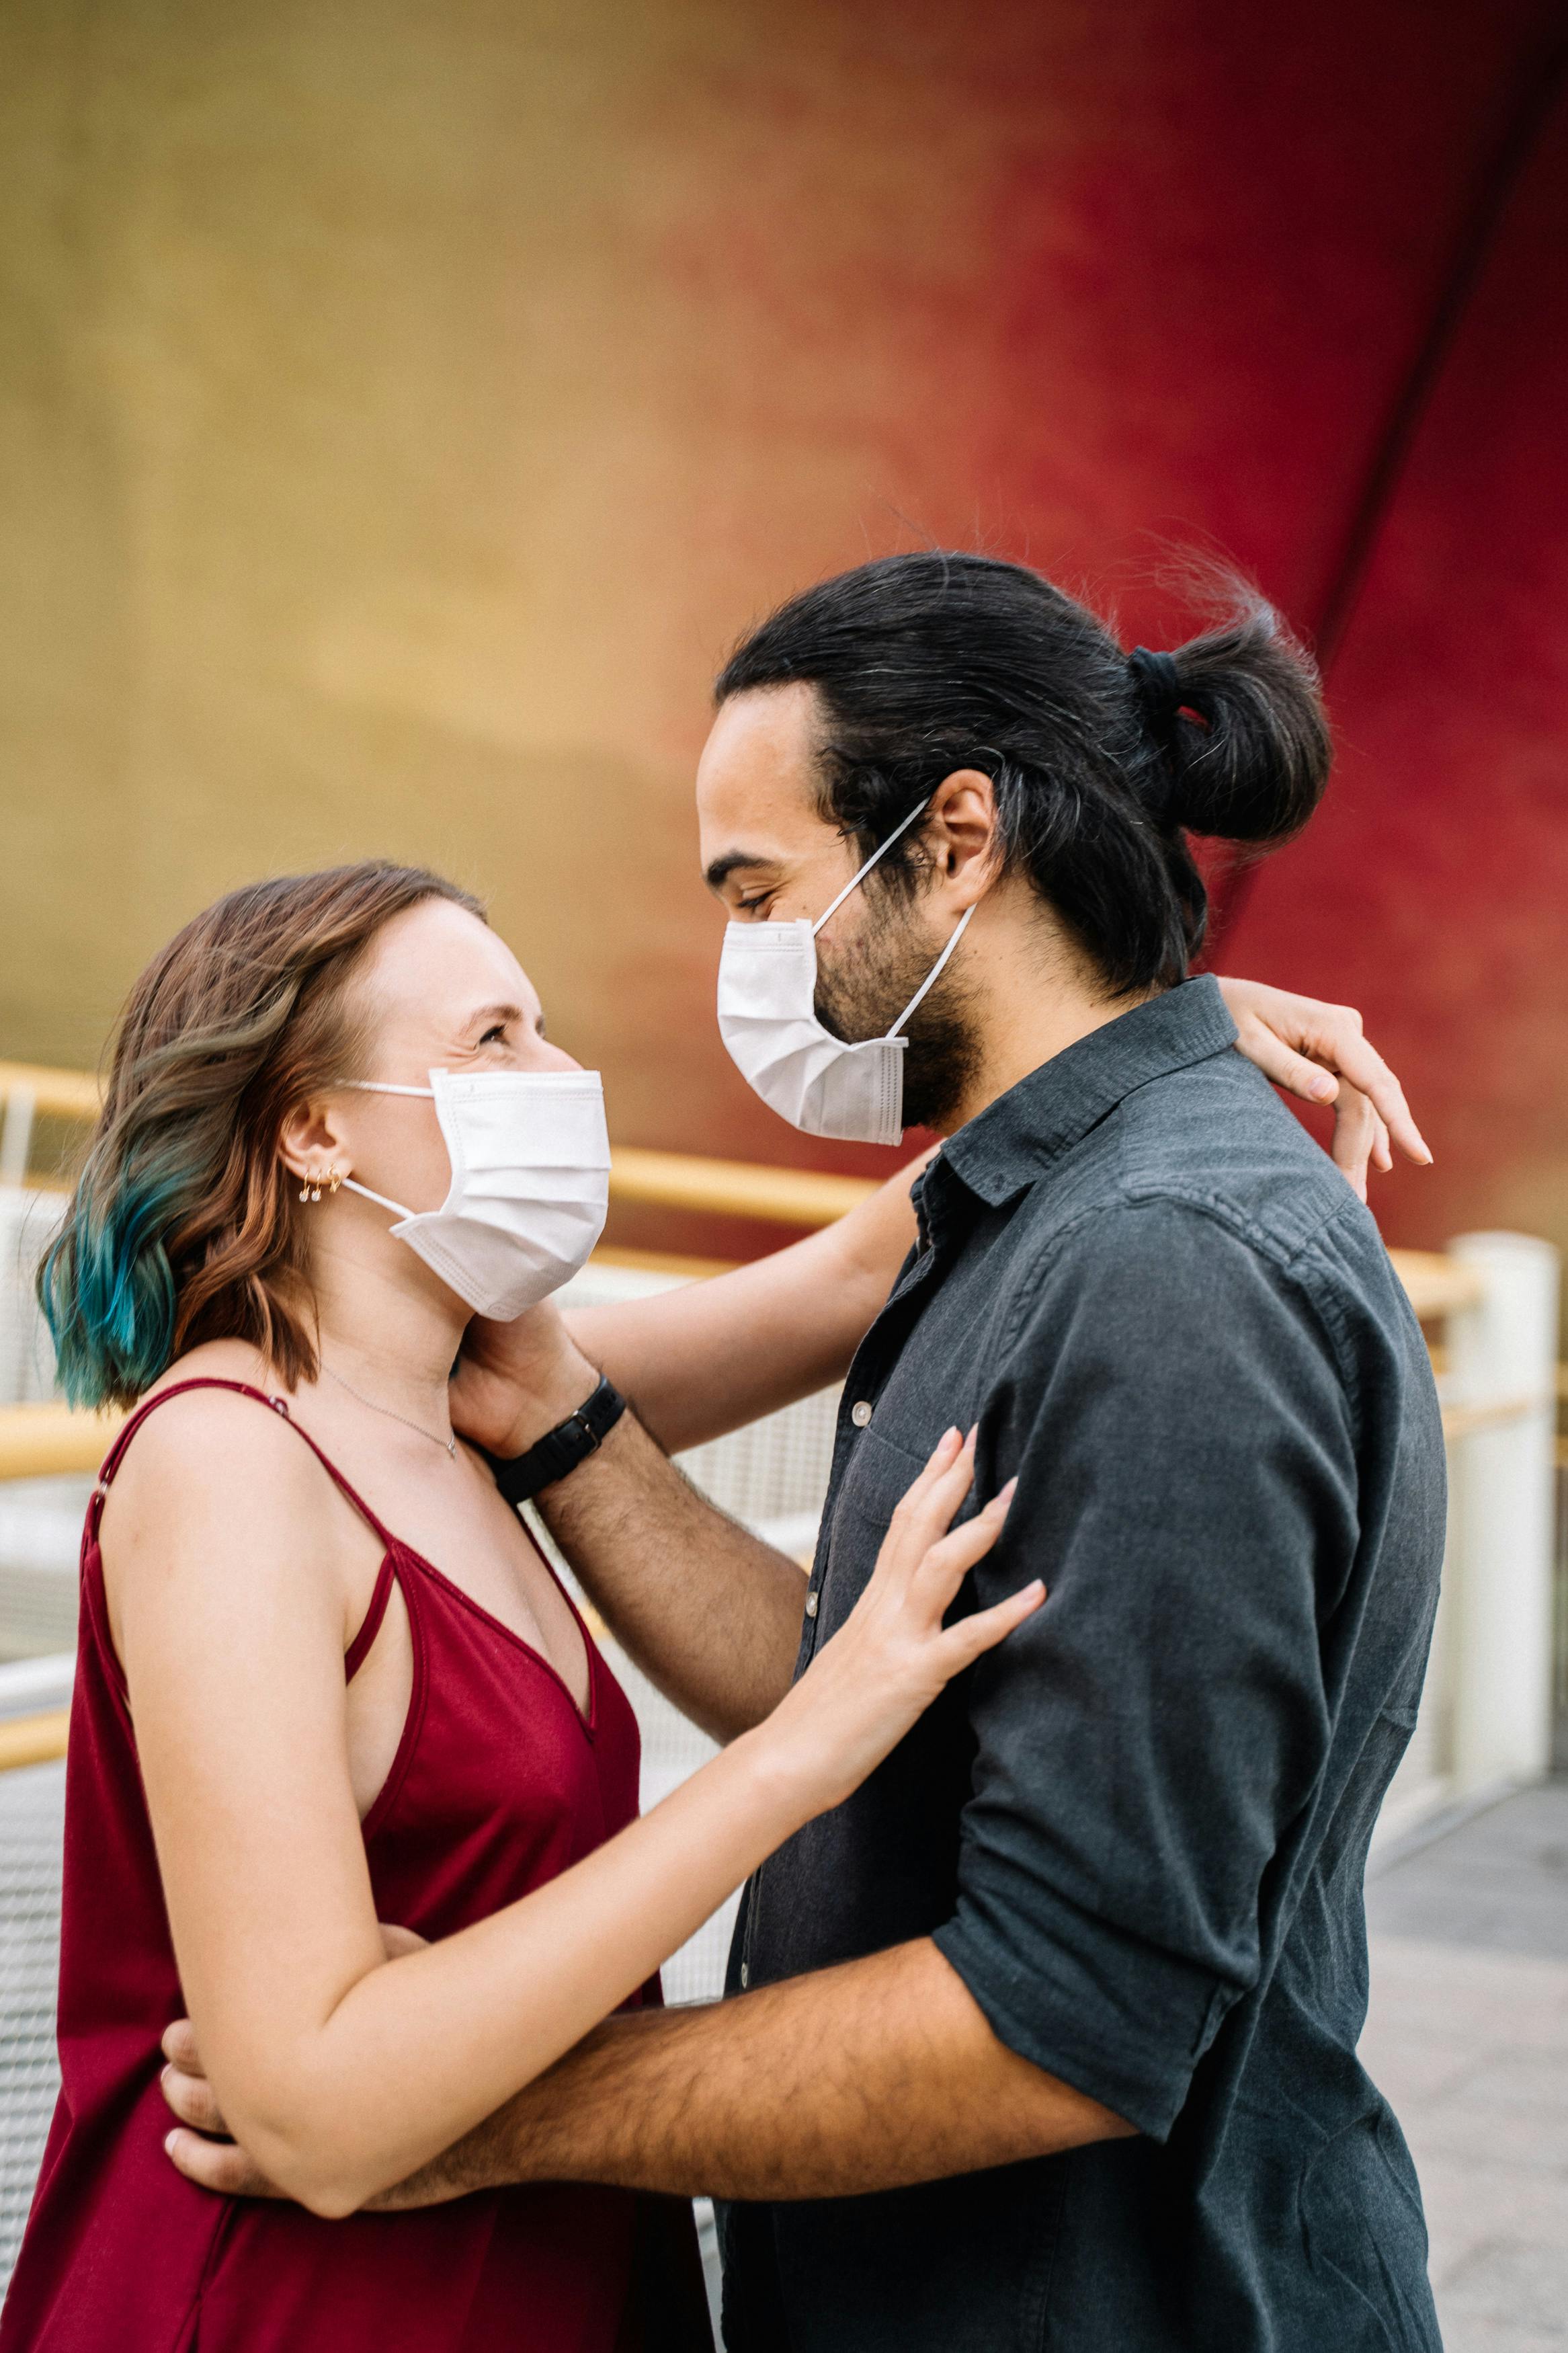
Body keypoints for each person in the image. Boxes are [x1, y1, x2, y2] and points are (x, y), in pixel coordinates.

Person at [160, 556, 1445, 2353]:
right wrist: (561, 1426)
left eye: (758, 891)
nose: (743, 961)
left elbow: (1061, 2010)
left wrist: (462, 2108)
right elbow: (881, 1700)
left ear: (955, 839)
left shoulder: (1169, 1271)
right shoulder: (1037, 1210)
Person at [0, 861, 1057, 2353]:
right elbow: (311, 2100)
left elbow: (852, 1270)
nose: (563, 1076)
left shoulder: (467, 1409)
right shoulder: (228, 1460)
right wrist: (802, 1746)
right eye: (493, 1039)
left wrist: (1145, 1051)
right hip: (303, 2309)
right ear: (310, 1125)